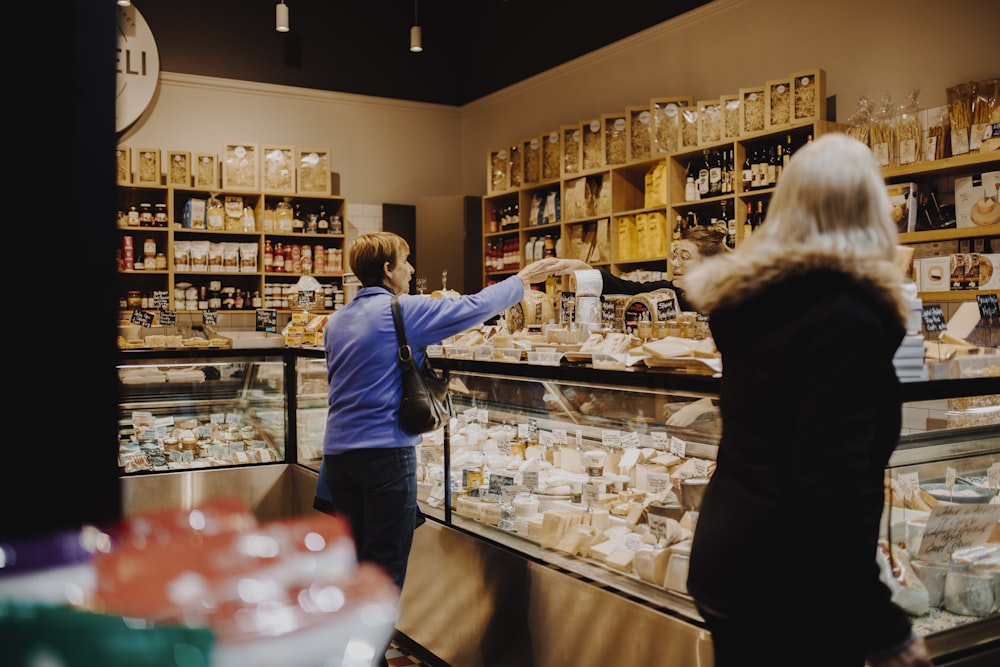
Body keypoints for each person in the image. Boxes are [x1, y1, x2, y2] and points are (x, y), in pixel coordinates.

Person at [680, 133, 933, 667]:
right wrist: (884, 626)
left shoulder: (749, 304)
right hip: (793, 584)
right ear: (870, 210)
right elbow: (829, 486)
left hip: (727, 564)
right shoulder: (847, 317)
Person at [315, 231, 557, 596]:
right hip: (384, 454)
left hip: (337, 459)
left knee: (357, 562)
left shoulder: (336, 321)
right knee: (384, 569)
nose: (411, 270)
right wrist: (521, 281)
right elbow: (472, 307)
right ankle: (369, 652)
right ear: (387, 269)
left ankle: (352, 648)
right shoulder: (403, 310)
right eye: (405, 262)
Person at [546, 223, 729, 310]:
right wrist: (581, 267)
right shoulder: (668, 292)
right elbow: (626, 288)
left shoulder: (728, 301)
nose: (675, 264)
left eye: (685, 257)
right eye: (675, 256)